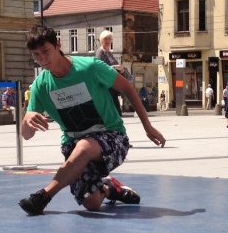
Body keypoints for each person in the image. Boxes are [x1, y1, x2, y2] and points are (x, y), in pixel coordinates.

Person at [17, 25, 165, 216]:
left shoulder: (90, 67)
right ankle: (110, 188)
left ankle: (44, 196)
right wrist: (26, 119)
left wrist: (148, 126)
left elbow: (127, 87)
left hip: (112, 137)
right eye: (36, 55)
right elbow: (26, 136)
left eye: (46, 51)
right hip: (73, 144)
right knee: (92, 203)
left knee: (84, 147)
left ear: (58, 45)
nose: (43, 59)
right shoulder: (40, 85)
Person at [95, 30, 131, 115]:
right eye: (105, 39)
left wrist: (121, 69)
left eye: (109, 39)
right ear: (101, 40)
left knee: (117, 113)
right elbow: (101, 68)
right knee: (114, 113)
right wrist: (116, 67)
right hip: (106, 88)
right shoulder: (100, 52)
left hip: (113, 86)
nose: (107, 41)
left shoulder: (109, 53)